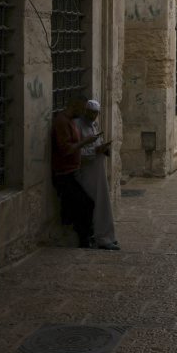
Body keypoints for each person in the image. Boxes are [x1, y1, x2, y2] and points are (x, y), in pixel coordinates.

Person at [51, 95, 98, 248]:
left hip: (72, 171)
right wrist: (85, 142)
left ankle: (84, 237)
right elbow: (65, 149)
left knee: (82, 205)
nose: (84, 112)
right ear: (74, 105)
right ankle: (84, 240)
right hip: (64, 174)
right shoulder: (62, 122)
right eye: (83, 109)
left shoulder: (71, 121)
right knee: (86, 204)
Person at [75, 99, 120, 251]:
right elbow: (76, 151)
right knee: (93, 204)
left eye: (95, 113)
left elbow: (97, 144)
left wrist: (103, 149)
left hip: (98, 172)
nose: (93, 116)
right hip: (86, 173)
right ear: (85, 111)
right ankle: (99, 238)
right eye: (90, 113)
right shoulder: (77, 125)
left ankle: (106, 237)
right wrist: (95, 151)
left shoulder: (94, 125)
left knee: (103, 204)